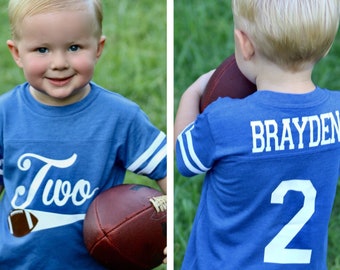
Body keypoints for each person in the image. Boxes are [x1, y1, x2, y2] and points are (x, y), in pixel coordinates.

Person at [0, 0, 166, 269]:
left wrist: (164, 228)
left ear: (98, 48)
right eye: (42, 50)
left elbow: (166, 167)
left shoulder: (119, 117)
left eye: (74, 47)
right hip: (16, 263)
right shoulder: (6, 114)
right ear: (17, 53)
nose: (59, 63)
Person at [175, 0, 340, 269]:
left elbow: (186, 159)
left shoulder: (224, 120)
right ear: (328, 44)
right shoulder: (336, 114)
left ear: (245, 44)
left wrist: (193, 91)